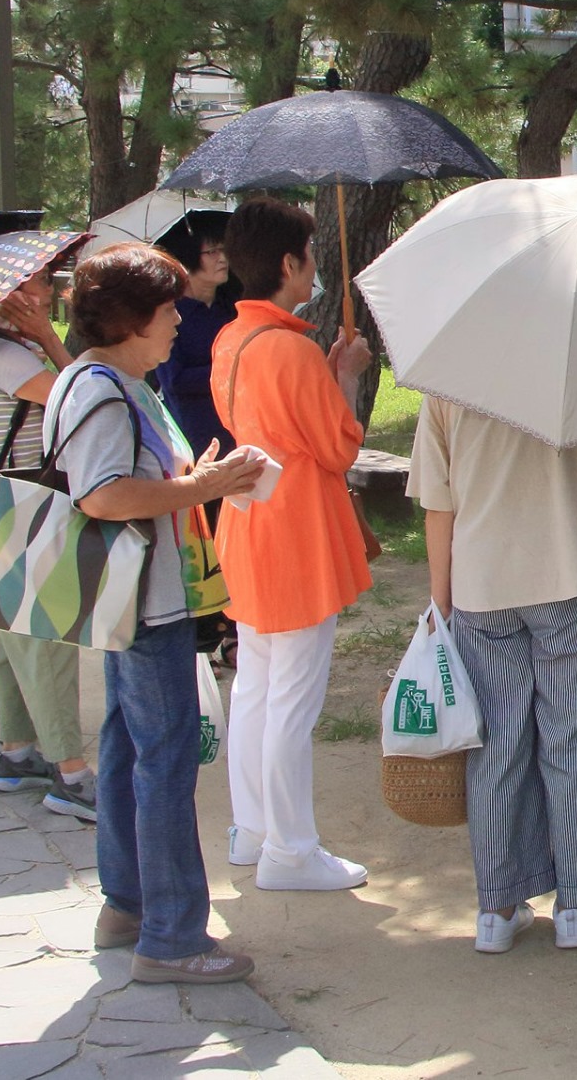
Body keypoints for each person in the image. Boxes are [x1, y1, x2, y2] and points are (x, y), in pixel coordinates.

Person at [50, 244, 266, 984]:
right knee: (165, 763)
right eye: (168, 308)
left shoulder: (115, 381)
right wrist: (202, 488)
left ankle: (129, 905)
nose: (179, 319)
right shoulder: (102, 390)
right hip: (147, 604)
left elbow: (136, 478)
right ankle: (172, 938)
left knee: (127, 750)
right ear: (131, 319)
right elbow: (103, 495)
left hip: (138, 599)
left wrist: (197, 477)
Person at [409, 395, 577, 954]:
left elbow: (437, 502)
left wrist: (440, 602)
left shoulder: (447, 377)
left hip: (482, 580)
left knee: (495, 746)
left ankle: (496, 907)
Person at [211, 200, 373, 892]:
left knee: (256, 685)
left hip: (250, 523)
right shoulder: (291, 349)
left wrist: (326, 374)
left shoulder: (233, 338)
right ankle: (291, 849)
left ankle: (253, 830)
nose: (314, 269)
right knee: (292, 699)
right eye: (309, 257)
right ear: (288, 263)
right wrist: (347, 376)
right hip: (297, 532)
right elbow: (339, 446)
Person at [0, 262, 98, 821]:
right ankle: (71, 774)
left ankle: (16, 752)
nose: (50, 290)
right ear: (11, 295)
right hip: (24, 503)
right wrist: (48, 338)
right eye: (40, 281)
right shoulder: (6, 356)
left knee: (11, 631)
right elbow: (83, 397)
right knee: (47, 637)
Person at [155, 222, 237, 460]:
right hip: (193, 432)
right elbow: (174, 380)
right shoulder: (171, 314)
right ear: (187, 258)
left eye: (224, 250)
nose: (222, 259)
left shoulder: (231, 310)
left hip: (236, 427)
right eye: (212, 252)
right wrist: (230, 370)